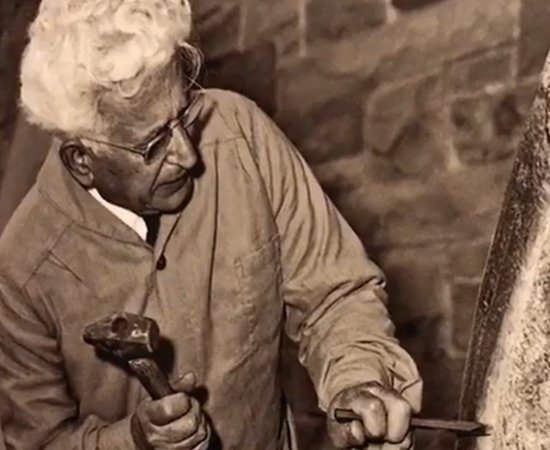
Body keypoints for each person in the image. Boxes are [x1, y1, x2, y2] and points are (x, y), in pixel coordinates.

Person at [0, 1, 422, 449]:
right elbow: (38, 442)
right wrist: (134, 440)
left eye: (185, 114)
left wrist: (356, 379)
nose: (188, 154)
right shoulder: (20, 274)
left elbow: (335, 295)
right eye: (155, 144)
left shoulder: (243, 136)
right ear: (82, 161)